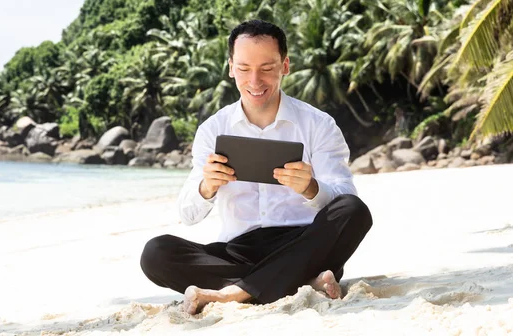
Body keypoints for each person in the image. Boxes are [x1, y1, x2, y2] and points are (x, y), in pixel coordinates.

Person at [140, 19, 373, 315]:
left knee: (354, 210)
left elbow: (344, 198)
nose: (254, 81)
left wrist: (310, 188)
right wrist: (207, 186)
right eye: (244, 68)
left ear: (285, 66)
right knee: (156, 253)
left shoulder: (318, 124)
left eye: (267, 68)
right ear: (230, 68)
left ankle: (232, 293)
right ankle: (300, 281)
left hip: (304, 243)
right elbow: (187, 214)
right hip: (238, 252)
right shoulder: (212, 130)